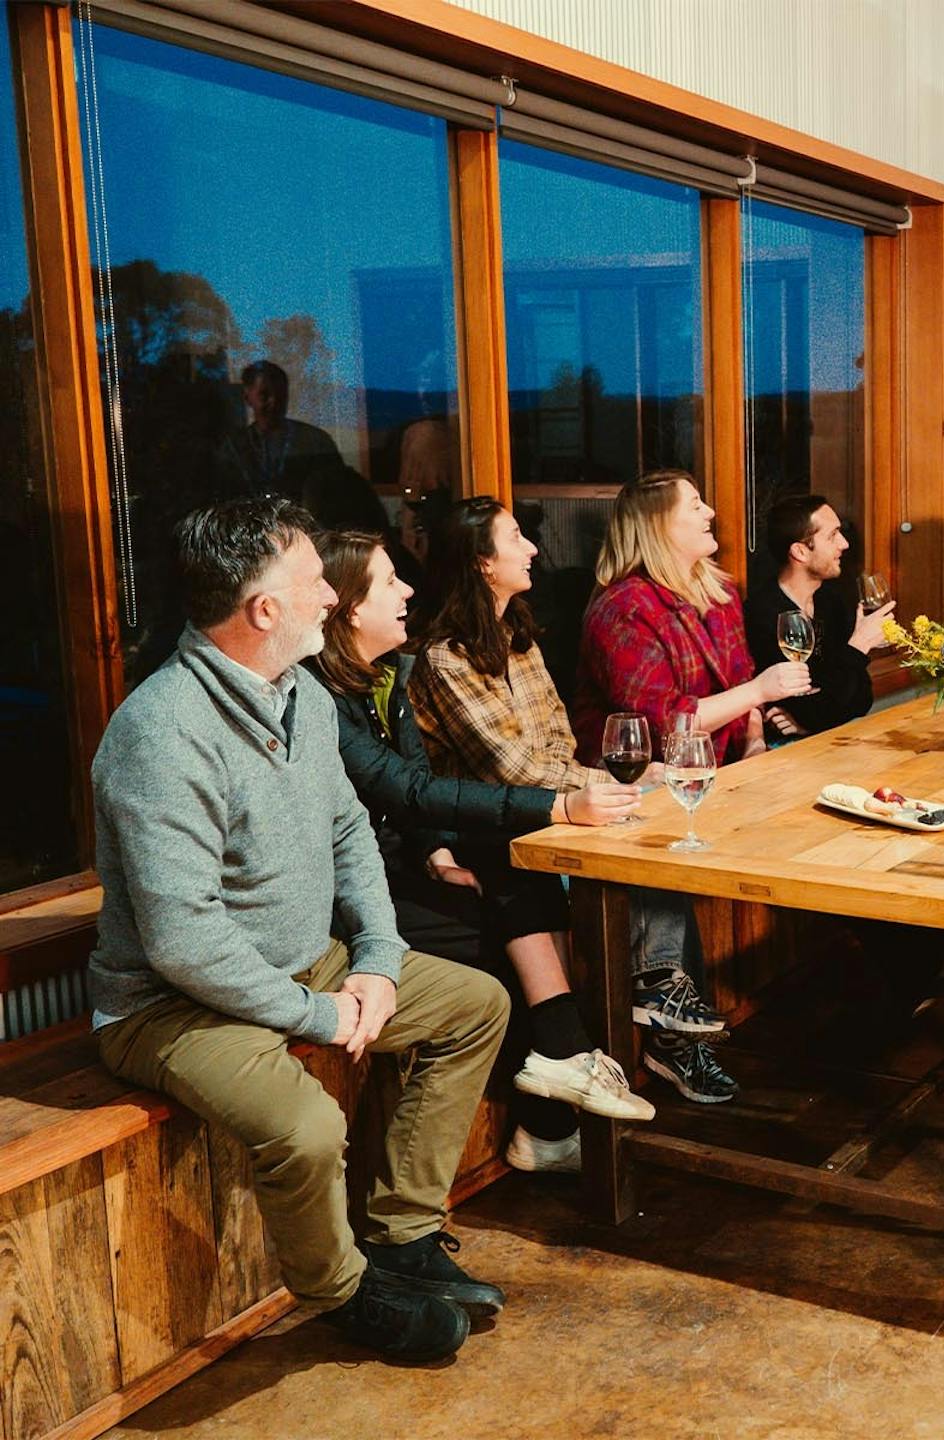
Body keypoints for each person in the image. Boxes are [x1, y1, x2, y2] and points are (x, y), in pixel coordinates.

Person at [87, 497, 510, 1363]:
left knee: (476, 1007)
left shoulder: (299, 695)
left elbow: (349, 831)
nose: (330, 597)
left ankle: (401, 1237)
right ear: (263, 609)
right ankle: (345, 1294)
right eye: (315, 581)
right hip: (168, 1006)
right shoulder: (160, 732)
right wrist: (318, 1015)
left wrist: (379, 961)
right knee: (309, 1127)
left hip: (301, 963)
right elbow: (182, 941)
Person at [311, 530, 655, 1176]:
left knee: (508, 872)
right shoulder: (320, 698)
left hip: (393, 871)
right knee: (507, 939)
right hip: (343, 899)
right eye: (390, 581)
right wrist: (556, 808)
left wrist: (435, 853)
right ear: (351, 609)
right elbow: (403, 789)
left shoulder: (384, 675)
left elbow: (414, 792)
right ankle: (554, 1104)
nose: (408, 590)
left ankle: (558, 1092)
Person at [409, 495, 735, 1104]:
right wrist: (607, 785)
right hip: (488, 829)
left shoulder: (518, 638)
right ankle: (659, 1010)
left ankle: (660, 991)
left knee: (655, 830)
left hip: (545, 810)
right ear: (481, 562)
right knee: (634, 825)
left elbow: (557, 742)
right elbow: (509, 768)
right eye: (515, 538)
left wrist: (614, 784)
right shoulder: (443, 658)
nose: (534, 548)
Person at [575, 469, 811, 768]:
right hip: (648, 776)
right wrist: (759, 690)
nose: (710, 512)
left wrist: (754, 744)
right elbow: (666, 725)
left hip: (725, 763)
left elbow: (743, 682)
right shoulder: (624, 609)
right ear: (659, 525)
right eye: (696, 505)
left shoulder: (720, 592)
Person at [744, 492, 895, 737]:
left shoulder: (830, 601)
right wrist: (859, 646)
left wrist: (808, 723)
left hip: (830, 741)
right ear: (800, 552)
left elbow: (861, 699)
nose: (844, 544)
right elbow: (812, 707)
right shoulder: (763, 614)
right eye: (832, 535)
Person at [213, 360, 385, 532]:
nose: (274, 402)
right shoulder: (233, 447)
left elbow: (336, 496)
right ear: (247, 397)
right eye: (264, 395)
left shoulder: (315, 441)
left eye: (280, 395)